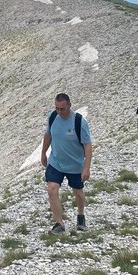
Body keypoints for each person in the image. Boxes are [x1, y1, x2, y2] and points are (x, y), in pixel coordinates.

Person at [40, 93, 92, 234]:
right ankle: (59, 223)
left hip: (75, 165)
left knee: (78, 192)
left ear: (69, 105)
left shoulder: (79, 122)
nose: (59, 112)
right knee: (52, 189)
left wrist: (86, 167)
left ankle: (81, 216)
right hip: (56, 162)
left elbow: (87, 145)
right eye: (57, 108)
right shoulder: (52, 117)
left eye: (62, 109)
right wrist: (43, 153)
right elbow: (48, 135)